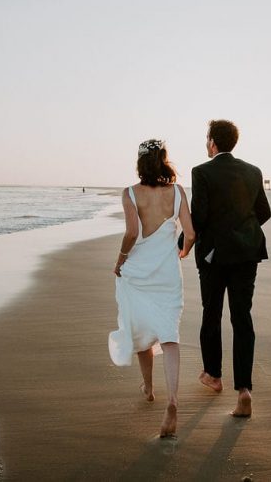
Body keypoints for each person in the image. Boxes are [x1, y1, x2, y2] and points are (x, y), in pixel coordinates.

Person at [109, 139, 195, 438]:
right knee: (169, 334)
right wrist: (182, 251)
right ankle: (172, 401)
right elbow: (191, 232)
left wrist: (120, 259)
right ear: (163, 161)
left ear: (140, 163)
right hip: (168, 273)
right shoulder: (178, 192)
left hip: (138, 272)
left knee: (141, 329)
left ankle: (148, 387)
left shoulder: (130, 193)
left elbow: (132, 232)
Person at [191, 120, 271, 418]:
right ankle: (244, 391)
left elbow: (198, 218)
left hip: (213, 256)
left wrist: (181, 244)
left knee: (211, 314)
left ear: (212, 142)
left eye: (206, 138)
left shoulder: (202, 172)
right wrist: (241, 230)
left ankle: (213, 375)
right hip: (247, 253)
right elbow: (264, 212)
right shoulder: (253, 171)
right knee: (242, 318)